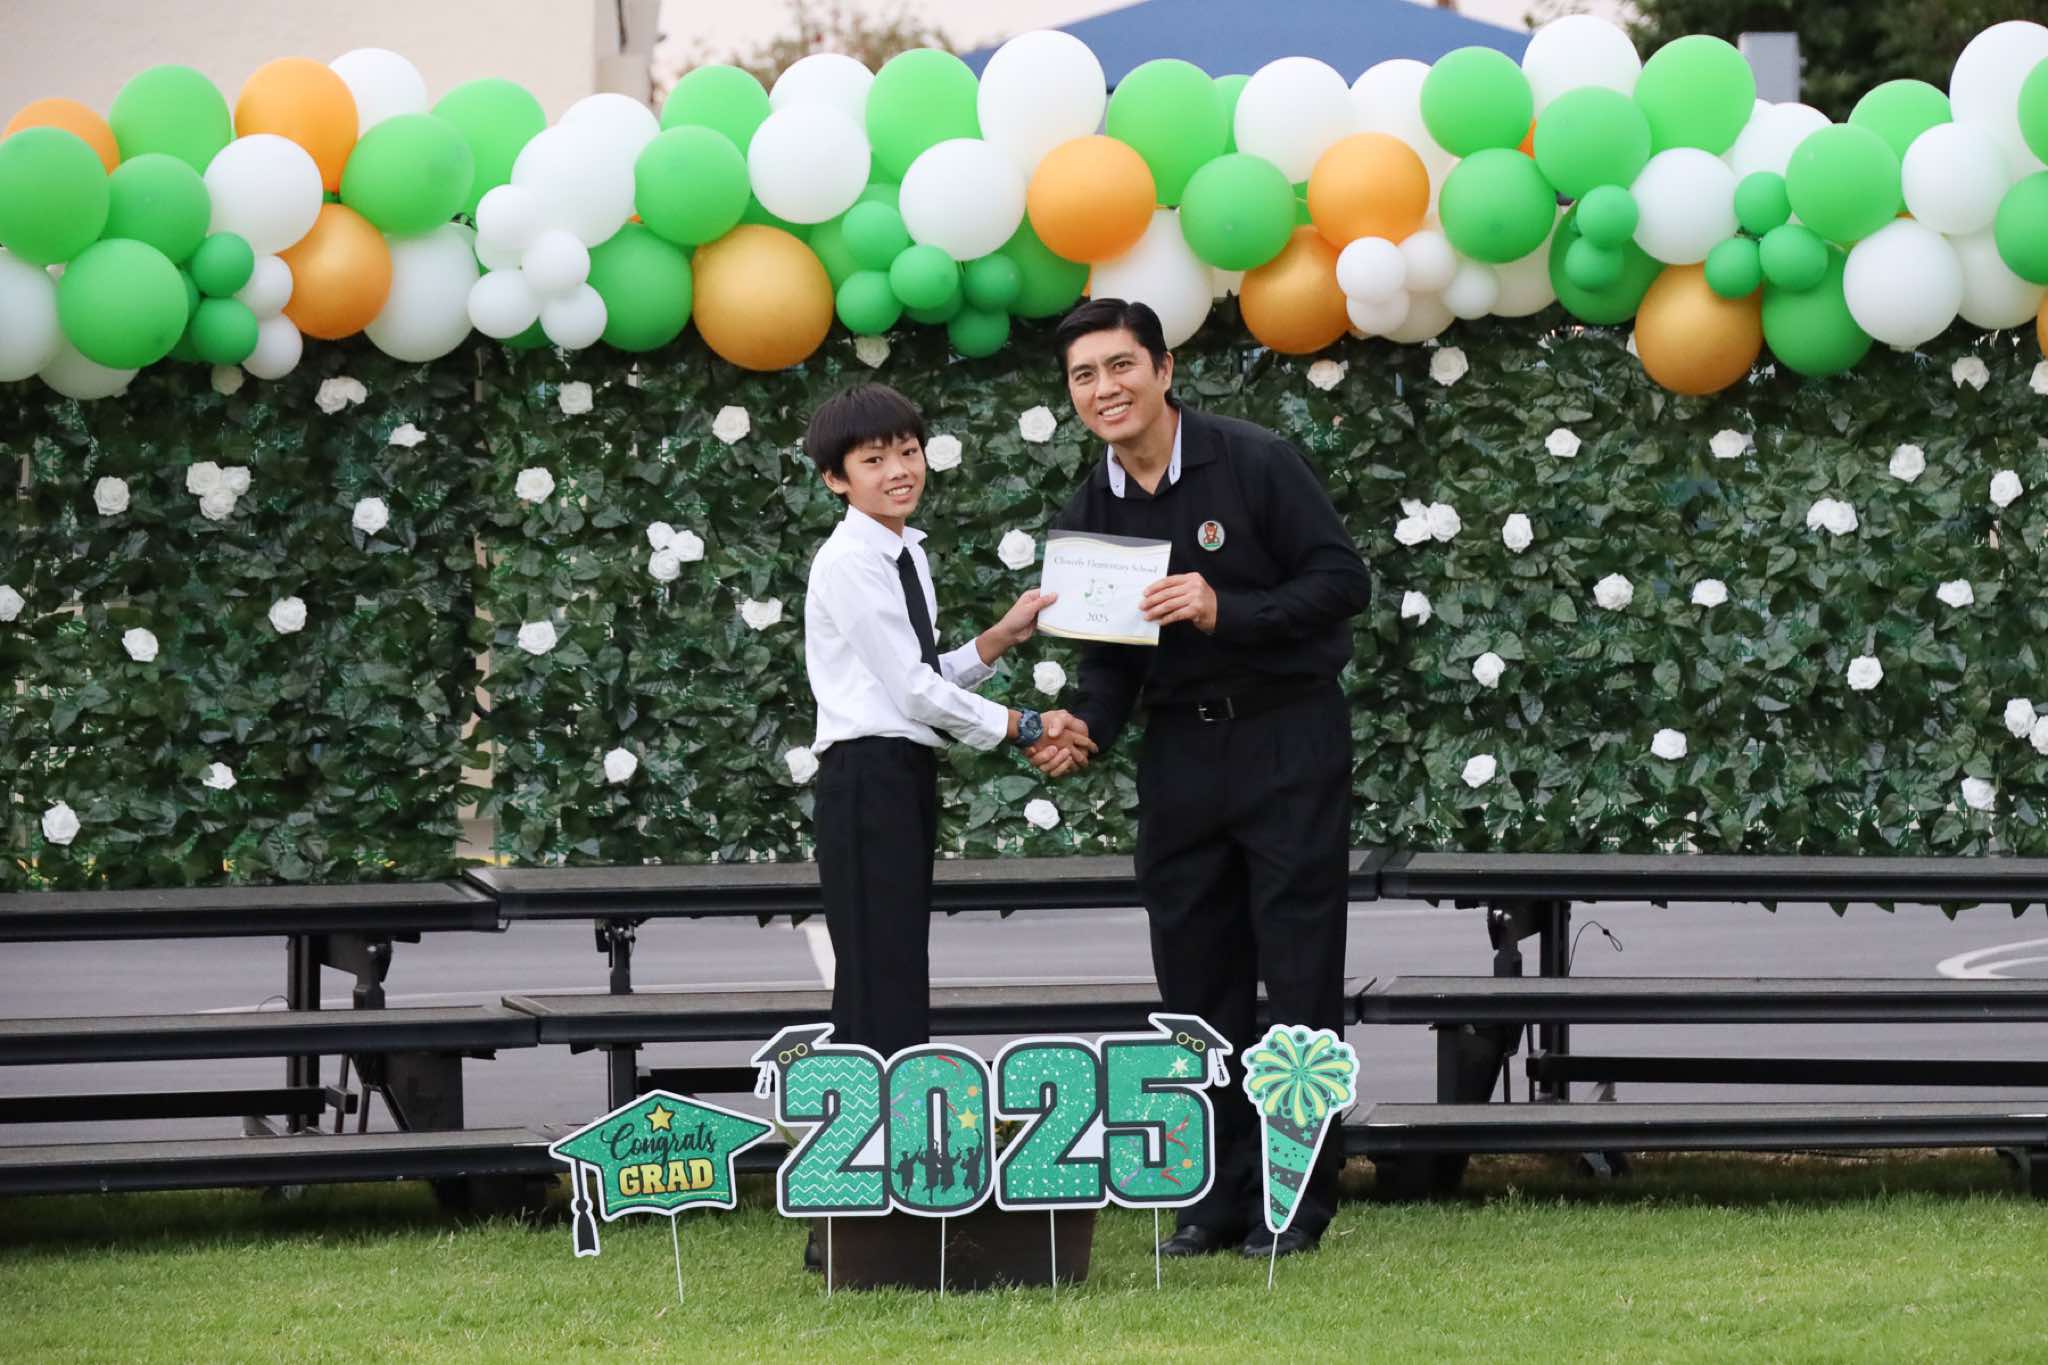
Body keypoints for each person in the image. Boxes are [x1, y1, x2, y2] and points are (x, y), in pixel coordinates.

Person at [1028, 298, 1371, 1260]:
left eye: (1120, 366)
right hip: (1179, 754)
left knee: (1298, 974)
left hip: (1287, 737)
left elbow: (1343, 582)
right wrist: (1086, 730)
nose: (1105, 389)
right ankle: (1213, 1200)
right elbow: (1109, 661)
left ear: (1164, 368)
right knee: (1193, 983)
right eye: (1084, 376)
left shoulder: (1253, 460)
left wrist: (1229, 609)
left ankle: (1294, 1198)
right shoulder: (1089, 513)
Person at [802, 382, 1080, 1060]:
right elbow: (913, 691)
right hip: (866, 774)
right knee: (879, 967)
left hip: (899, 771)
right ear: (835, 478)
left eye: (908, 451)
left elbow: (915, 674)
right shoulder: (851, 561)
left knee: (895, 957)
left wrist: (998, 638)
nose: (899, 470)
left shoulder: (906, 551)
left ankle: (891, 1104)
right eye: (874, 460)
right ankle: (879, 1112)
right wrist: (1024, 725)